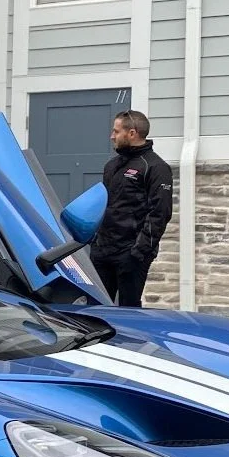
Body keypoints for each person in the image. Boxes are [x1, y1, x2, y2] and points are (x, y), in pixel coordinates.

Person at [90, 109, 173, 308]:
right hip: (103, 251)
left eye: (116, 131)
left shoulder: (156, 167)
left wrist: (138, 252)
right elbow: (105, 205)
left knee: (129, 310)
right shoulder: (112, 166)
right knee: (96, 308)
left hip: (131, 254)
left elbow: (160, 214)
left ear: (132, 133)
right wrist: (95, 243)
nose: (112, 136)